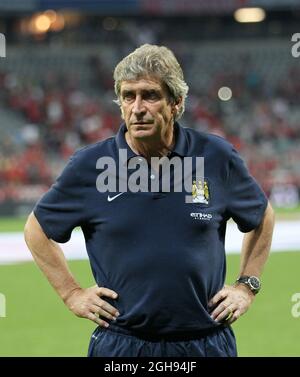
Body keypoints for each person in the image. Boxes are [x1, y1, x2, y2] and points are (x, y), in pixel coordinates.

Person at [24, 44, 275, 357]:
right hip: (123, 345)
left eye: (150, 95)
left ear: (176, 103)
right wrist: (71, 292)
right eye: (128, 96)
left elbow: (262, 216)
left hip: (206, 343)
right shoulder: (90, 165)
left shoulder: (215, 157)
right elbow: (36, 229)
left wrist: (246, 286)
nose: (137, 107)